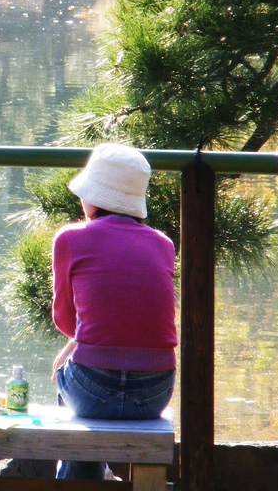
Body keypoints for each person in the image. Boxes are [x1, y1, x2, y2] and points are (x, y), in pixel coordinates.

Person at [50, 143, 177, 481]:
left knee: (68, 383)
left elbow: (64, 321)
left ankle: (83, 476)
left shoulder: (69, 238)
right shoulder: (164, 245)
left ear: (92, 197)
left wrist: (74, 346)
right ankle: (97, 473)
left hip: (92, 388)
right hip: (155, 393)